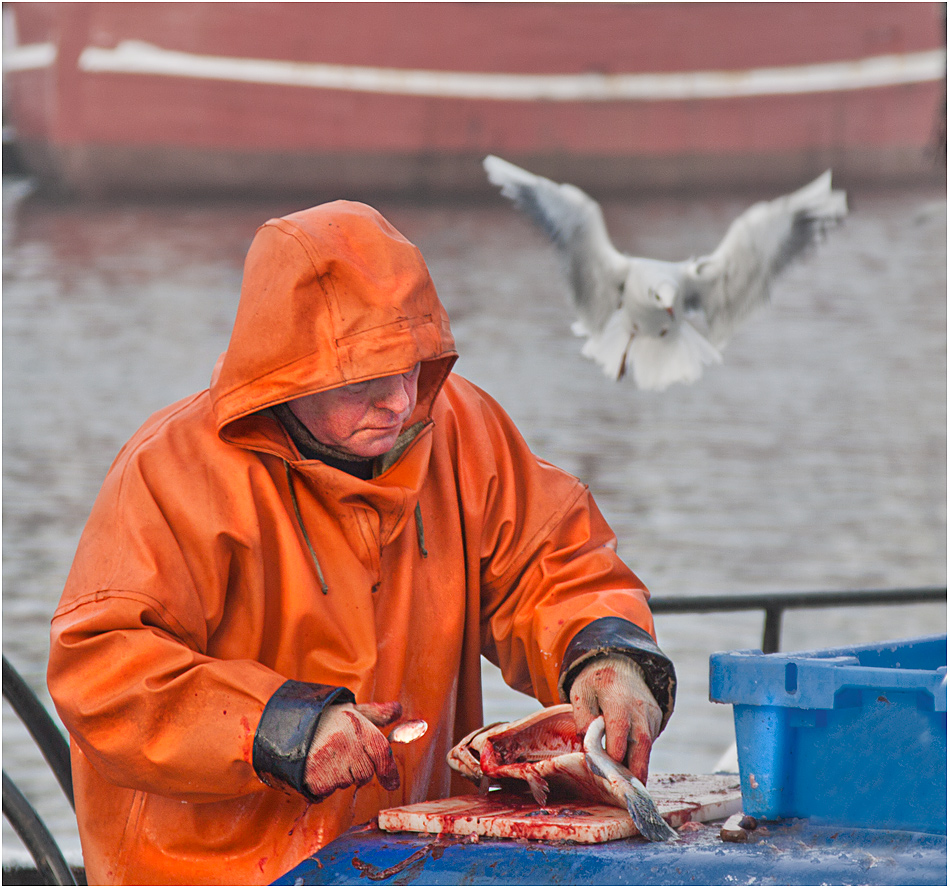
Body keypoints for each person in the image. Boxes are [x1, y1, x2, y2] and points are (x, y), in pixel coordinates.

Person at [47, 201, 676, 885]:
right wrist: (282, 730)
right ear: (286, 374)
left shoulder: (464, 430)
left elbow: (553, 567)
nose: (400, 400)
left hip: (410, 860)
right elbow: (102, 671)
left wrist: (605, 655)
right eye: (365, 379)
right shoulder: (171, 473)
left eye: (410, 364)